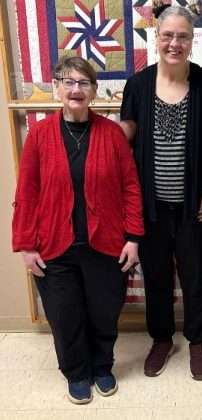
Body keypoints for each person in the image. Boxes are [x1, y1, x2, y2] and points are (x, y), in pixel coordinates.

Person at [12, 56, 144, 404]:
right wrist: (26, 245)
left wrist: (133, 237)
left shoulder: (112, 135)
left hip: (106, 245)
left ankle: (102, 366)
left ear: (94, 91)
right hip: (54, 247)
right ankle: (77, 372)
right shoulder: (39, 136)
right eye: (68, 82)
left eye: (84, 83)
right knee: (64, 315)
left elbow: (131, 187)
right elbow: (27, 192)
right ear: (56, 88)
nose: (76, 89)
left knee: (104, 312)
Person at [120, 4, 202, 381]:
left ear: (192, 41)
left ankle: (197, 340)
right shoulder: (137, 85)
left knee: (195, 276)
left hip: (193, 206)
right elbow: (124, 140)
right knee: (156, 277)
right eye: (167, 35)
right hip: (149, 208)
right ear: (156, 38)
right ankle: (162, 339)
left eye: (183, 36)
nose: (174, 43)